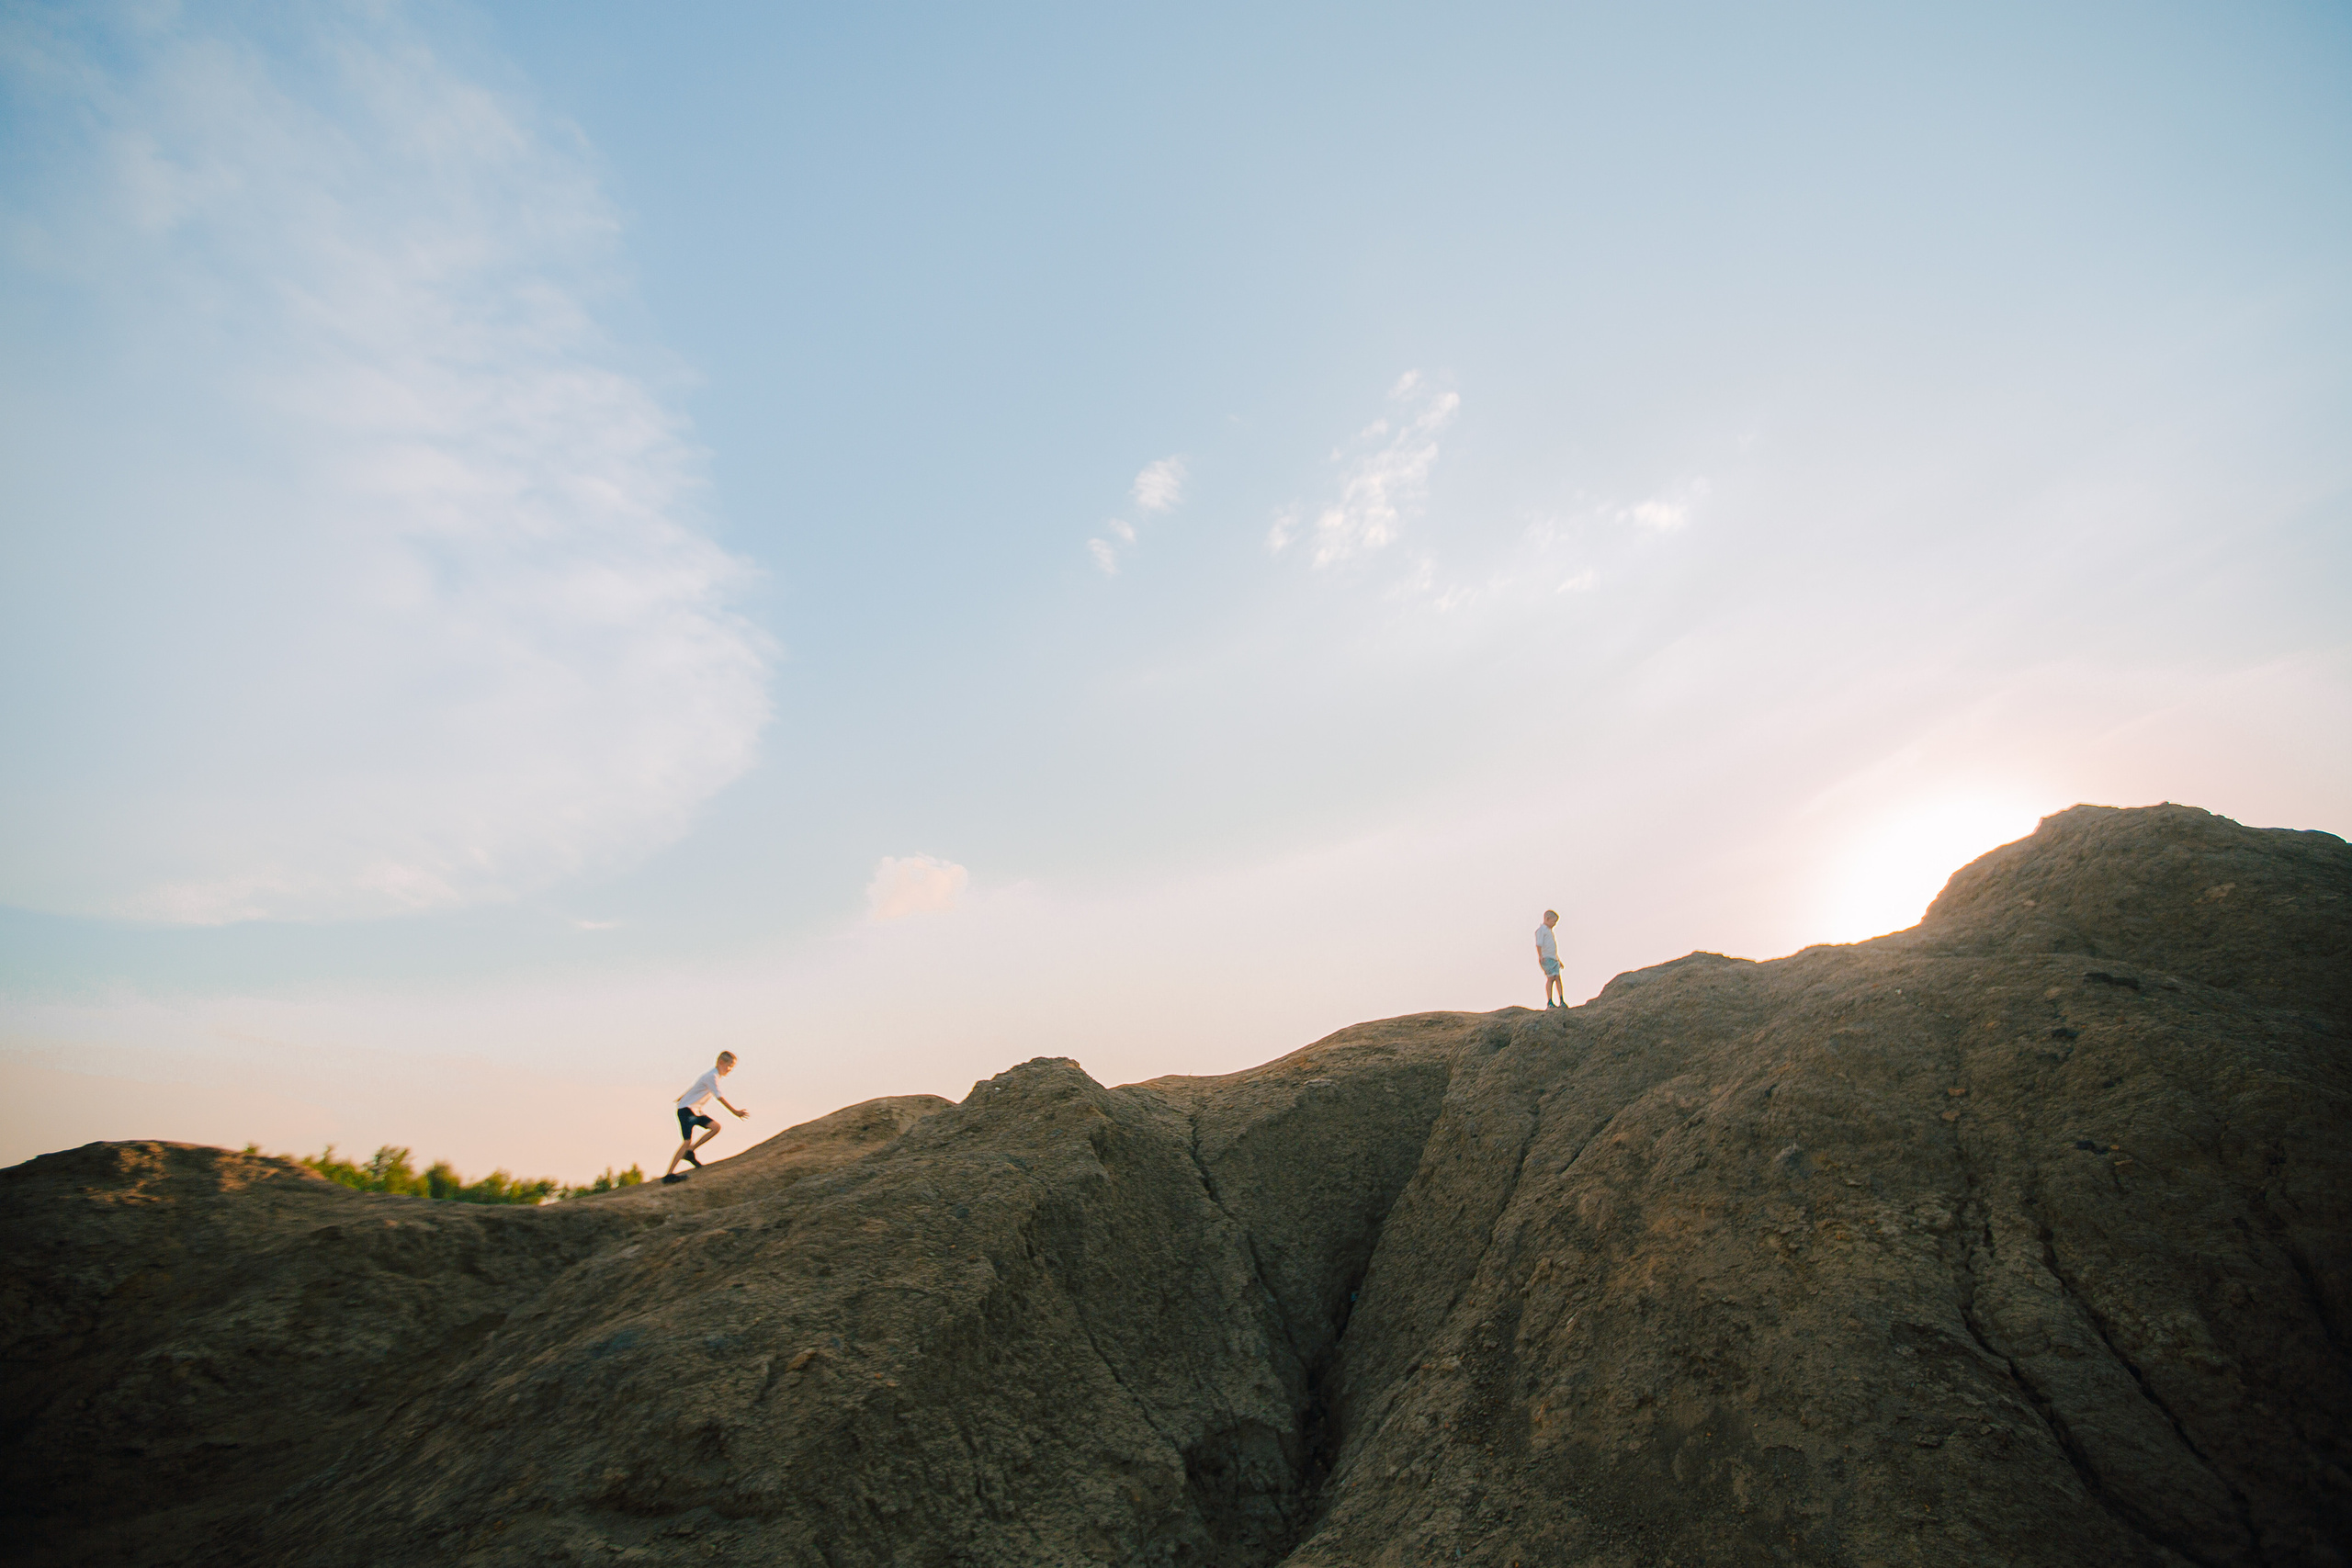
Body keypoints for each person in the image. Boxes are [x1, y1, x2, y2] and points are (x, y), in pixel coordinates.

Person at [662, 1051, 750, 1183]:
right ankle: (669, 1175)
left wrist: (683, 1096)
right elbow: (719, 1097)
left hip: (695, 1111)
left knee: (715, 1127)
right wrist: (735, 1112)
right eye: (729, 1066)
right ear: (721, 1063)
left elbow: (695, 1086)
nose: (730, 1070)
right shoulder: (712, 1077)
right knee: (686, 1141)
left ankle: (690, 1151)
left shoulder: (711, 1075)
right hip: (686, 1111)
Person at [1535, 910, 1566, 1010]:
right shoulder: (1541, 930)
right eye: (1554, 922)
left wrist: (1558, 959)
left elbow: (1553, 947)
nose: (1554, 924)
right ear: (1547, 919)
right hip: (1546, 958)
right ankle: (1550, 1001)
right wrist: (1540, 956)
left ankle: (1561, 1000)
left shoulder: (1549, 931)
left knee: (1557, 977)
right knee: (1551, 978)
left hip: (1553, 958)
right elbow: (1539, 944)